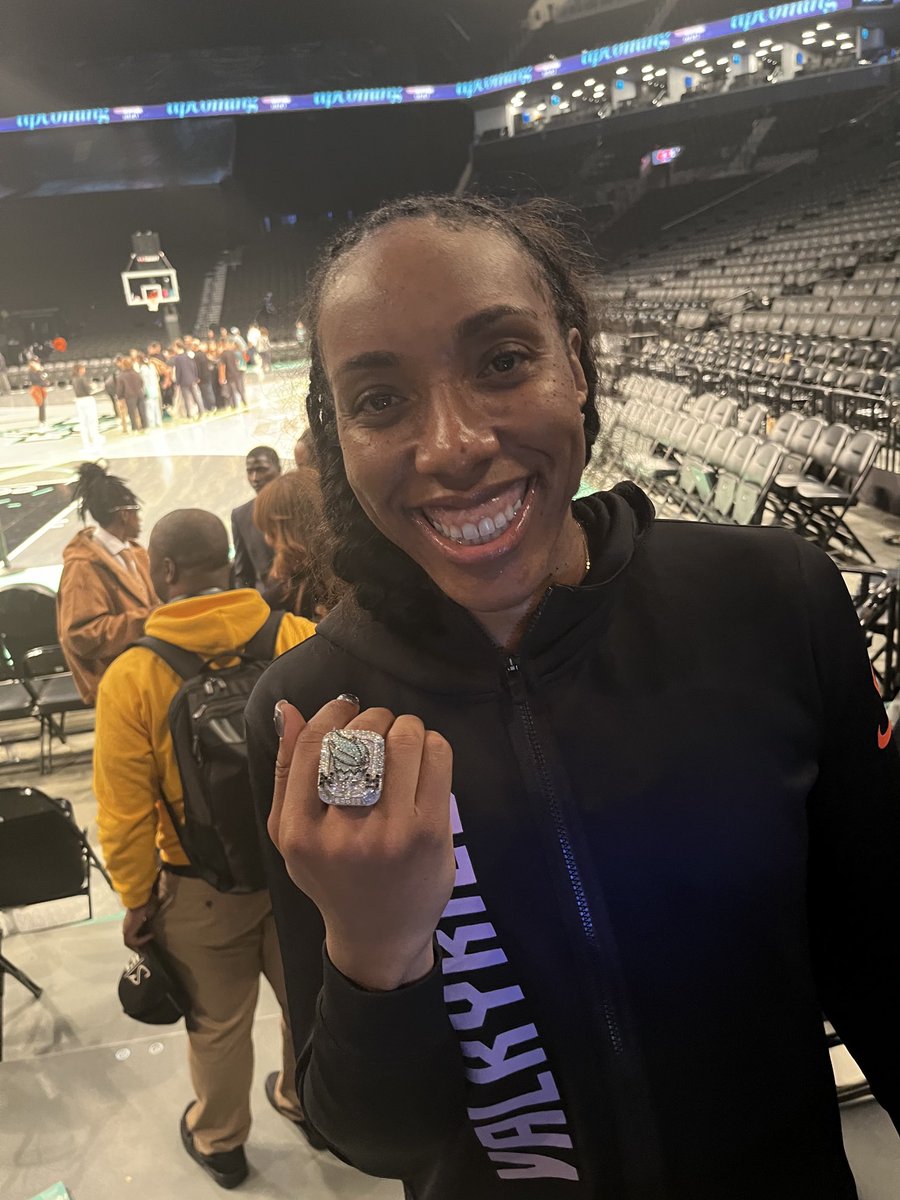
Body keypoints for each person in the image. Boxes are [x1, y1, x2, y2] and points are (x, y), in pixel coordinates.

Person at [246, 195, 900, 1200]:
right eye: (380, 400)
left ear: (578, 366)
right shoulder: (325, 719)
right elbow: (371, 1136)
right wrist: (375, 951)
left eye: (503, 360)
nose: (454, 444)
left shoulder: (771, 601)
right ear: (337, 435)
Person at [93, 508, 318, 1191]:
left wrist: (136, 901)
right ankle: (307, 1100)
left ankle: (220, 1140)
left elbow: (125, 813)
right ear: (227, 561)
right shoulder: (296, 636)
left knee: (218, 1023)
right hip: (302, 870)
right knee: (306, 999)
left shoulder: (132, 676)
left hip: (199, 886)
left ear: (162, 573)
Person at [57, 462, 157, 704]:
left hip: (145, 676)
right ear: (125, 514)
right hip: (115, 686)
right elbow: (81, 635)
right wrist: (149, 619)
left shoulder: (136, 554)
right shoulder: (82, 567)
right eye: (137, 510)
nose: (140, 518)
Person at [253, 468, 344, 619]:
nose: (268, 540)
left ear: (292, 530)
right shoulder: (355, 569)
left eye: (272, 531)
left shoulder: (281, 600)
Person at [231, 447, 280, 591]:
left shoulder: (298, 502)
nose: (255, 478)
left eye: (261, 470)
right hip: (269, 606)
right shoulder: (240, 515)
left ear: (278, 468)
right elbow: (243, 574)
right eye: (250, 471)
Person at [72, 364, 103, 451]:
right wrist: (93, 387)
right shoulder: (82, 379)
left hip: (79, 401)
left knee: (83, 422)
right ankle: (95, 438)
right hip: (87, 400)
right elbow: (88, 390)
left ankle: (85, 442)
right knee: (92, 420)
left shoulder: (74, 379)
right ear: (80, 370)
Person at [171, 339, 203, 420]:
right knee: (197, 396)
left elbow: (178, 371)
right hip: (192, 379)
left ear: (177, 347)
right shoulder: (188, 355)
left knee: (187, 398)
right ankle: (201, 411)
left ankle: (190, 414)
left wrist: (177, 382)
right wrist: (195, 376)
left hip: (183, 381)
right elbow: (194, 366)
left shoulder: (177, 358)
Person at [115, 356, 147, 432]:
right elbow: (142, 382)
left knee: (132, 413)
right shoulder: (136, 373)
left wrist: (120, 398)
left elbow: (120, 388)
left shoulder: (122, 375)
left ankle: (135, 428)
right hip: (139, 394)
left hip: (130, 396)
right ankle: (145, 426)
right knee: (142, 411)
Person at [133, 349, 162, 428]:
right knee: (156, 406)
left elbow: (143, 382)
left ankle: (152, 423)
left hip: (148, 389)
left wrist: (144, 391)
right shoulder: (151, 366)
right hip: (154, 388)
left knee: (149, 407)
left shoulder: (142, 369)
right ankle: (158, 422)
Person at [219, 339, 247, 408]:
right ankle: (245, 402)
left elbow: (222, 366)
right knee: (240, 389)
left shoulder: (223, 354)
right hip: (237, 374)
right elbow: (241, 361)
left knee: (231, 391)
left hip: (229, 375)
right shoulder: (234, 352)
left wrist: (222, 377)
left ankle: (234, 406)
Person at [27, 357, 50, 427]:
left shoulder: (40, 369)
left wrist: (40, 372)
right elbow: (35, 380)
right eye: (34, 362)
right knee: (40, 404)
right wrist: (38, 372)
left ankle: (43, 420)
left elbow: (44, 377)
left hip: (42, 388)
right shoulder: (31, 371)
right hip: (36, 389)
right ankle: (41, 421)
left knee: (42, 405)